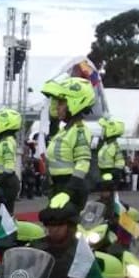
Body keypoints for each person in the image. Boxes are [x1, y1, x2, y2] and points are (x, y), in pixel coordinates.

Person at [40, 77, 94, 211]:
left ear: (74, 102)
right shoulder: (64, 131)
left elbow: (82, 164)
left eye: (61, 103)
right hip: (58, 186)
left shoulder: (79, 130)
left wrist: (67, 192)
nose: (57, 107)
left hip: (71, 187)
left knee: (64, 228)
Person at [0, 108, 23, 213]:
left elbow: (9, 168)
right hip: (2, 181)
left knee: (6, 216)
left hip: (7, 183)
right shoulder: (0, 141)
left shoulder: (7, 143)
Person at [97, 117, 125, 183]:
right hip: (103, 173)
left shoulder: (115, 146)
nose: (103, 132)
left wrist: (114, 174)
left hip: (110, 175)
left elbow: (120, 162)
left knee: (107, 191)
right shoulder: (105, 146)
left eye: (104, 129)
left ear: (111, 131)